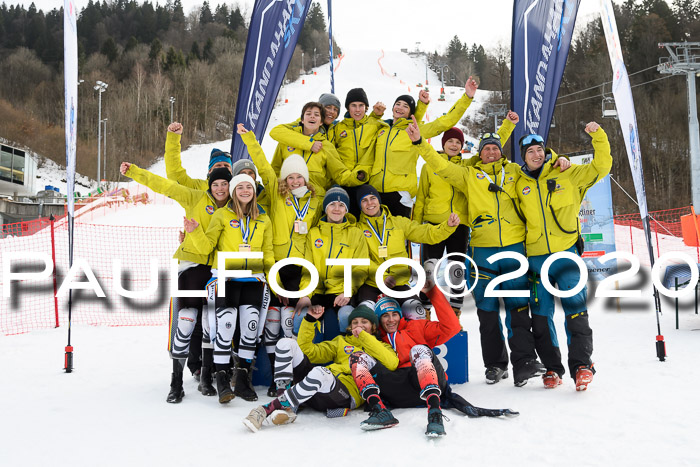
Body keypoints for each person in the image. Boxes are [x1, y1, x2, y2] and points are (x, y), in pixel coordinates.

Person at [407, 116, 570, 387]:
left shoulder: (516, 172)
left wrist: (557, 158)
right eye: (486, 149)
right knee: (487, 309)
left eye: (495, 147)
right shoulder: (470, 175)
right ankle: (494, 365)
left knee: (518, 307)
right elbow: (439, 166)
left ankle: (523, 363)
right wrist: (419, 143)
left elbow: (538, 165)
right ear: (479, 155)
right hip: (483, 249)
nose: (491, 152)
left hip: (515, 248)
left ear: (501, 151)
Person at [119, 158, 232, 403]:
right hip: (193, 264)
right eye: (216, 184)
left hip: (218, 267)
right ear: (210, 184)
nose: (220, 188)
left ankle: (206, 377)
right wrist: (136, 172)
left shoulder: (235, 206)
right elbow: (165, 186)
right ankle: (176, 381)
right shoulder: (196, 197)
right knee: (188, 317)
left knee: (210, 320)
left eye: (225, 184)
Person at [350, 281, 518, 437]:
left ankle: (435, 413)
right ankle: (380, 411)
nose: (391, 319)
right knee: (356, 357)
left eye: (395, 314)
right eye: (385, 316)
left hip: (423, 381)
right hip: (396, 388)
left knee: (419, 349)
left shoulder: (416, 327)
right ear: (378, 319)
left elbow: (452, 327)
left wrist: (433, 293)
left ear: (401, 315)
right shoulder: (374, 338)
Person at [517, 122, 611, 391]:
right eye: (530, 152)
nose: (536, 155)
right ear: (523, 158)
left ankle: (582, 365)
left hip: (567, 254)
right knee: (541, 315)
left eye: (539, 150)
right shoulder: (518, 184)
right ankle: (551, 369)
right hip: (535, 259)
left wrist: (598, 136)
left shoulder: (567, 174)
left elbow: (601, 167)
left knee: (575, 309)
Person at [238, 123, 323, 396]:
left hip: (299, 269)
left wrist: (307, 287)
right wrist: (250, 138)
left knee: (289, 324)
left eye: (300, 177)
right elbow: (263, 165)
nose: (295, 181)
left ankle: (290, 378)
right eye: (290, 177)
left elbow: (316, 239)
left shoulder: (315, 201)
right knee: (272, 324)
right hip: (275, 265)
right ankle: (276, 377)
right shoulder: (276, 194)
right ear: (284, 180)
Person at [183, 173, 274, 403]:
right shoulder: (222, 214)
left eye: (249, 187)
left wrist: (272, 280)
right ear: (234, 191)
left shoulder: (263, 218)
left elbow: (269, 252)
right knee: (226, 323)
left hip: (253, 279)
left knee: (250, 327)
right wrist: (194, 232)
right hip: (226, 278)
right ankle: (223, 379)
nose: (245, 190)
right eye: (240, 187)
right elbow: (208, 247)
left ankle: (242, 379)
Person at [242, 304, 399, 432]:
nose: (359, 325)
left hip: (345, 395)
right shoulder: (341, 341)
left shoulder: (382, 347)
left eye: (364, 322)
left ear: (372, 326)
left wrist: (364, 337)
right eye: (355, 322)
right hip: (318, 386)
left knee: (320, 372)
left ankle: (267, 409)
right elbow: (307, 351)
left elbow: (392, 363)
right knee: (285, 343)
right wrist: (310, 321)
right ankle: (285, 408)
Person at [162, 122, 234, 381]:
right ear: (208, 173)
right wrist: (174, 138)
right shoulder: (195, 189)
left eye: (225, 168)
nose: (221, 174)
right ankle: (193, 365)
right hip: (193, 262)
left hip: (220, 264)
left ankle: (218, 364)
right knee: (191, 312)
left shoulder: (237, 196)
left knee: (217, 314)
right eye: (216, 169)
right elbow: (173, 171)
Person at [367, 79, 478, 217]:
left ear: (410, 113)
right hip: (375, 193)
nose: (400, 108)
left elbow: (445, 122)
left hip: (399, 195)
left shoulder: (414, 131)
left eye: (405, 106)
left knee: (398, 237)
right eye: (398, 104)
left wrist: (467, 97)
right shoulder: (381, 129)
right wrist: (374, 115)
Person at [355, 184, 460, 317]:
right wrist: (382, 276)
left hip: (398, 283)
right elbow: (360, 261)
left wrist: (447, 227)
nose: (369, 203)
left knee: (418, 314)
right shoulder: (357, 230)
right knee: (365, 315)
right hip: (371, 284)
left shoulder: (399, 223)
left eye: (372, 198)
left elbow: (426, 233)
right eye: (364, 200)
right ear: (360, 205)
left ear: (378, 200)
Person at [294, 186, 369, 340]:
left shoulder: (355, 234)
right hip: (318, 291)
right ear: (325, 208)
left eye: (341, 205)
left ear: (346, 210)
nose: (337, 209)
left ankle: (345, 355)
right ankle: (300, 357)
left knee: (346, 316)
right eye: (332, 204)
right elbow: (308, 267)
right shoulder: (314, 233)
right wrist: (306, 294)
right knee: (300, 316)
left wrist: (348, 290)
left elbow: (360, 268)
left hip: (341, 292)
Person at [269, 101, 366, 196]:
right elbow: (275, 168)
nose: (312, 116)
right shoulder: (287, 140)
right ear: (302, 120)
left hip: (314, 198)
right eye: (308, 114)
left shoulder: (326, 146)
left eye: (316, 114)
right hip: (286, 196)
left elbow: (339, 173)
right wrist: (278, 187)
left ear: (321, 122)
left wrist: (357, 177)